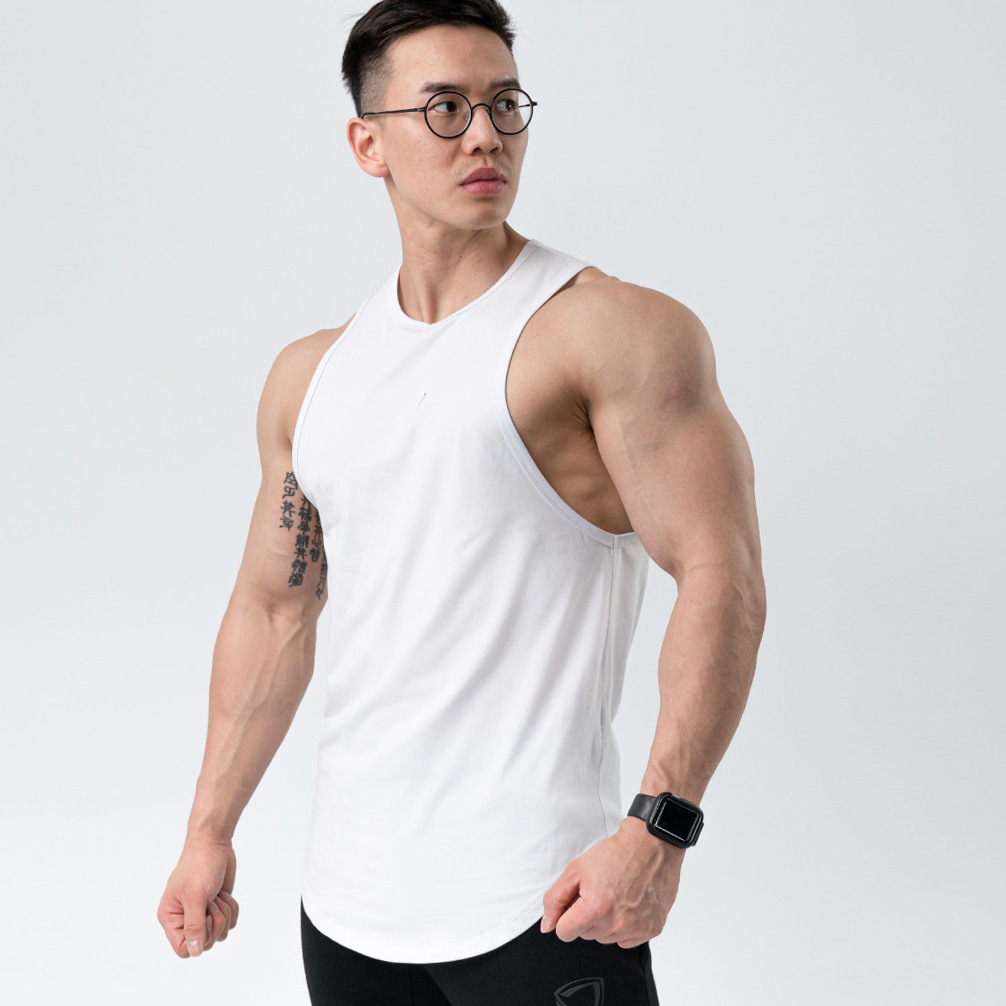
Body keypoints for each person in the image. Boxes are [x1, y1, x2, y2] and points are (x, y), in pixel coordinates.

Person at [156, 1, 766, 1002]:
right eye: (443, 108)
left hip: (548, 900)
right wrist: (207, 831)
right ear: (368, 144)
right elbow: (275, 608)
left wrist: (659, 830)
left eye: (503, 105)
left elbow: (720, 574)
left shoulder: (611, 331)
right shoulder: (312, 376)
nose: (484, 134)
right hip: (346, 911)